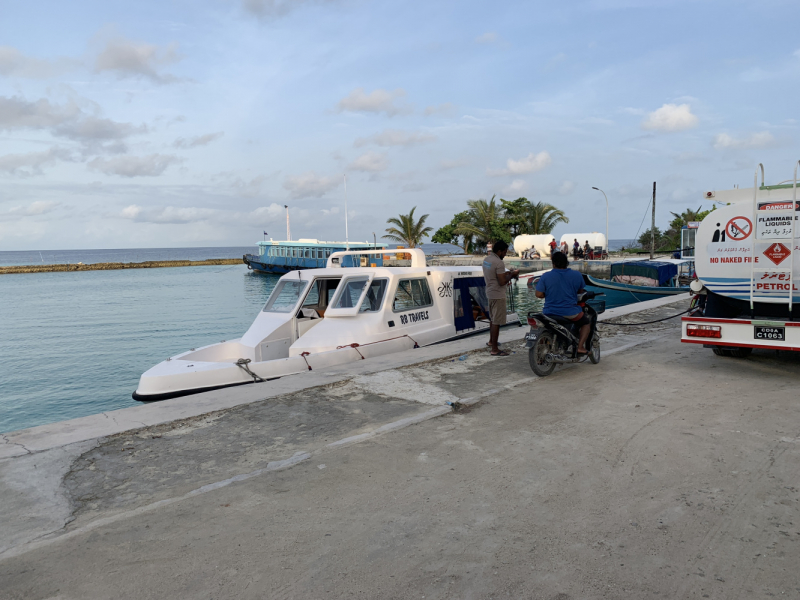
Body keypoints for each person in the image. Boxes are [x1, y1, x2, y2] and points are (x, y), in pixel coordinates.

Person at [535, 251, 591, 355]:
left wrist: (548, 294)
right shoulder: (576, 275)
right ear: (566, 263)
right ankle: (580, 347)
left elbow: (538, 294)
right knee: (586, 322)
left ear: (553, 263)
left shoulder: (545, 276)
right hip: (570, 312)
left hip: (549, 312)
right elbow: (580, 291)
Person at [482, 240, 519, 356]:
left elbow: (494, 276)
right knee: (497, 321)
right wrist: (512, 275)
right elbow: (502, 281)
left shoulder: (486, 260)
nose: (505, 254)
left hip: (490, 292)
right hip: (498, 295)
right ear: (499, 251)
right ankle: (494, 349)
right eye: (504, 252)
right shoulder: (499, 263)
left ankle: (491, 341)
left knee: (493, 319)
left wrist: (507, 274)